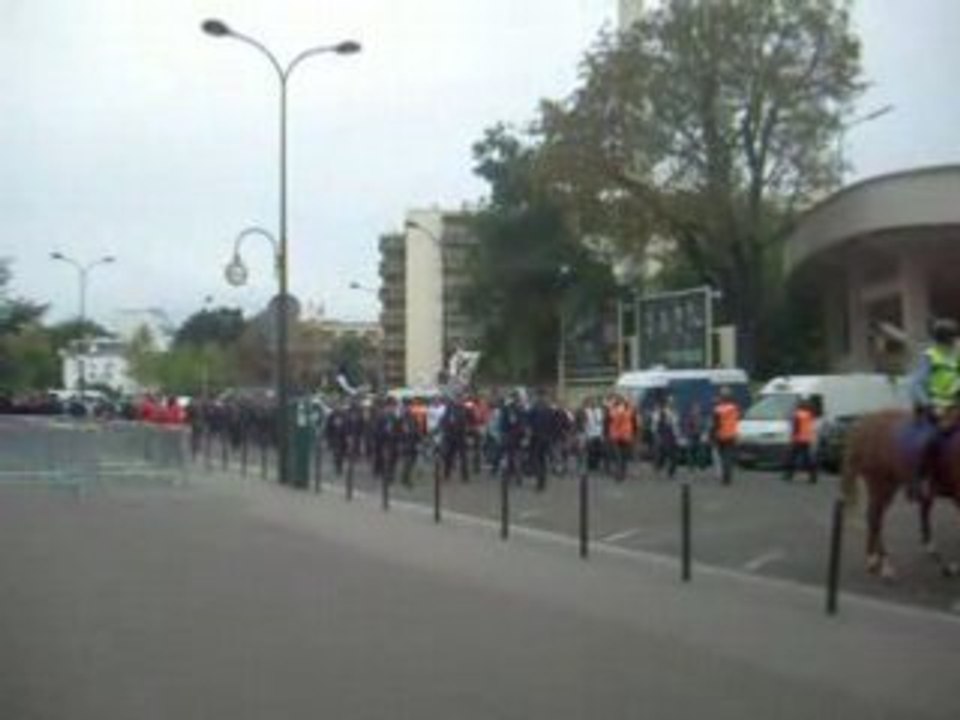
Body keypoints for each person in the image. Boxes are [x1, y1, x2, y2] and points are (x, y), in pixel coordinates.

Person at [908, 318, 960, 500]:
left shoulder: (957, 355)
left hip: (955, 406)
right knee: (927, 439)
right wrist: (929, 405)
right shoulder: (929, 356)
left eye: (954, 338)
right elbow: (915, 385)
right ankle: (917, 481)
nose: (954, 342)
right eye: (951, 339)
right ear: (941, 339)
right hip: (934, 406)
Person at [783, 397, 818, 484]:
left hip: (798, 438)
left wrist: (792, 437)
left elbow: (795, 428)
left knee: (792, 457)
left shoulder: (797, 414)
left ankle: (789, 474)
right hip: (807, 438)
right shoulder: (810, 414)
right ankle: (813, 476)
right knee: (807, 458)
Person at [712, 387, 740, 486]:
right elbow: (737, 419)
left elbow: (715, 424)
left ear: (721, 398)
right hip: (731, 435)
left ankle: (725, 477)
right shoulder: (735, 408)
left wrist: (713, 435)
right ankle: (727, 478)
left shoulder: (717, 409)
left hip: (720, 435)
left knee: (722, 456)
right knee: (728, 456)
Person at [608, 395, 636, 482]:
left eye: (622, 404)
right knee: (621, 457)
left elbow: (631, 409)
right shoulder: (625, 412)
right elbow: (631, 409)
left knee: (621, 457)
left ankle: (621, 474)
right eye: (620, 404)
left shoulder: (615, 411)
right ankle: (620, 474)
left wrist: (612, 405)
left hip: (621, 436)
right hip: (620, 436)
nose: (621, 406)